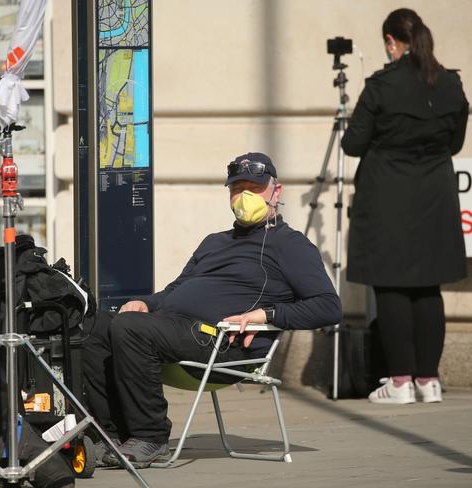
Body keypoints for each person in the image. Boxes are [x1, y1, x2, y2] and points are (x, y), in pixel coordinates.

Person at [83, 152, 342, 468]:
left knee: (131, 328)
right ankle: (110, 434)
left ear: (276, 191)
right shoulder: (214, 242)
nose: (244, 196)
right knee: (93, 325)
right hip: (172, 329)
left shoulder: (291, 245)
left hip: (221, 344)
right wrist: (147, 303)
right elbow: (177, 289)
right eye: (237, 188)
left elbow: (329, 307)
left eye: (254, 187)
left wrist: (267, 315)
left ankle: (151, 436)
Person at [342, 8, 468, 405]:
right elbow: (455, 143)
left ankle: (399, 383)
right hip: (434, 194)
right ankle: (429, 381)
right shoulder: (449, 84)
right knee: (429, 287)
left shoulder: (382, 86)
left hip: (387, 196)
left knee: (392, 284)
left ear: (392, 43)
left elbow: (353, 144)